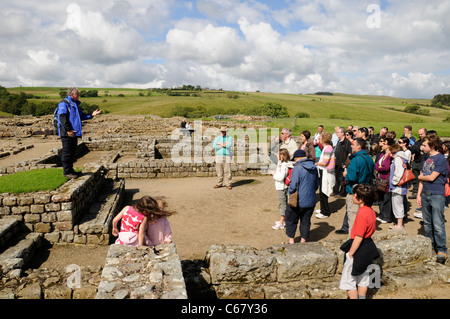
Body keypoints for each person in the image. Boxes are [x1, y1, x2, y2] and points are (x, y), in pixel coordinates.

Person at [339, 184, 380, 299]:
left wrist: (351, 253)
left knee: (349, 280)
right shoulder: (371, 211)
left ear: (361, 199)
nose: (352, 196)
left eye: (354, 195)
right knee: (363, 277)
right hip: (368, 246)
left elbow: (358, 236)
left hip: (359, 248)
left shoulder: (362, 213)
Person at [55, 87, 101, 179]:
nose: (79, 96)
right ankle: (67, 172)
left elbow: (82, 116)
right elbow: (62, 117)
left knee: (72, 152)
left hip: (73, 133)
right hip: (67, 133)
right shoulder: (64, 103)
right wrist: (68, 130)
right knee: (67, 152)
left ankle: (71, 170)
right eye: (77, 94)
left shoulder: (74, 104)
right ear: (72, 94)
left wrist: (92, 115)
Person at [417, 134, 448, 264]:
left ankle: (441, 249)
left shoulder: (440, 159)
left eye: (424, 145)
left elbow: (430, 178)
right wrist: (418, 194)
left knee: (438, 223)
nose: (422, 147)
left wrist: (420, 177)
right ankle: (431, 246)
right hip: (425, 194)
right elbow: (423, 179)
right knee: (427, 223)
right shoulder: (426, 159)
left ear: (432, 146)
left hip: (437, 194)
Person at [336, 138, 375, 235]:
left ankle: (352, 242)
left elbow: (352, 177)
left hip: (355, 191)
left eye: (353, 144)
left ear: (359, 147)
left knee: (353, 219)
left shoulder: (355, 160)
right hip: (365, 190)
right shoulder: (369, 158)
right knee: (363, 218)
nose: (351, 146)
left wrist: (346, 175)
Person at [285, 149, 319, 244]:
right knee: (306, 221)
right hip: (310, 199)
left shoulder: (298, 167)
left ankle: (291, 240)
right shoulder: (314, 167)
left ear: (298, 158)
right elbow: (316, 184)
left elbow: (293, 184)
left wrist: (290, 193)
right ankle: (303, 241)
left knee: (291, 219)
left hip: (298, 200)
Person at [271, 149, 294, 230]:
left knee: (283, 204)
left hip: (282, 187)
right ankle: (283, 220)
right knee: (283, 203)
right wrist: (278, 158)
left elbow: (280, 177)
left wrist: (274, 175)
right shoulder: (284, 164)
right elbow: (279, 166)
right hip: (282, 187)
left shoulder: (284, 166)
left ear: (283, 156)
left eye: (279, 155)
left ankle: (282, 222)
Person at [389, 143, 410, 230]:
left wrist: (394, 182)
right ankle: (399, 223)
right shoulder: (401, 158)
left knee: (398, 205)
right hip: (399, 186)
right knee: (398, 204)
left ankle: (399, 225)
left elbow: (399, 172)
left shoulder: (398, 159)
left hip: (398, 186)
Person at [315, 132, 336, 219]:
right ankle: (323, 208)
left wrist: (315, 163)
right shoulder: (326, 147)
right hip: (323, 171)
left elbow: (325, 162)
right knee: (322, 191)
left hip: (325, 172)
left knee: (323, 192)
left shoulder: (327, 148)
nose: (318, 139)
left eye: (320, 138)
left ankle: (325, 212)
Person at [374, 137, 394, 224]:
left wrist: (380, 168)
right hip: (380, 179)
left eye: (384, 143)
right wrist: (380, 167)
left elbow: (386, 167)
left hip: (386, 179)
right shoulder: (382, 154)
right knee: (381, 198)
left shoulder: (390, 155)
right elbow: (376, 165)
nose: (382, 144)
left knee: (387, 198)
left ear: (389, 145)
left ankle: (387, 217)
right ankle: (382, 214)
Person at [333, 127, 352, 197]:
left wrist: (346, 164)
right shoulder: (338, 141)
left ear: (342, 133)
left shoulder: (347, 142)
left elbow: (349, 154)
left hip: (343, 164)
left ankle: (342, 193)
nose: (336, 134)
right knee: (336, 178)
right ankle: (335, 191)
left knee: (343, 179)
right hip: (337, 163)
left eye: (338, 132)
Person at [409, 128, 427, 200]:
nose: (420, 135)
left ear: (425, 133)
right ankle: (416, 191)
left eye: (421, 134)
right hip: (417, 161)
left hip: (425, 162)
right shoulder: (418, 142)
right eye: (419, 134)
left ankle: (423, 192)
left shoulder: (429, 142)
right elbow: (412, 149)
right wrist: (419, 148)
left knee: (424, 177)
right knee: (415, 176)